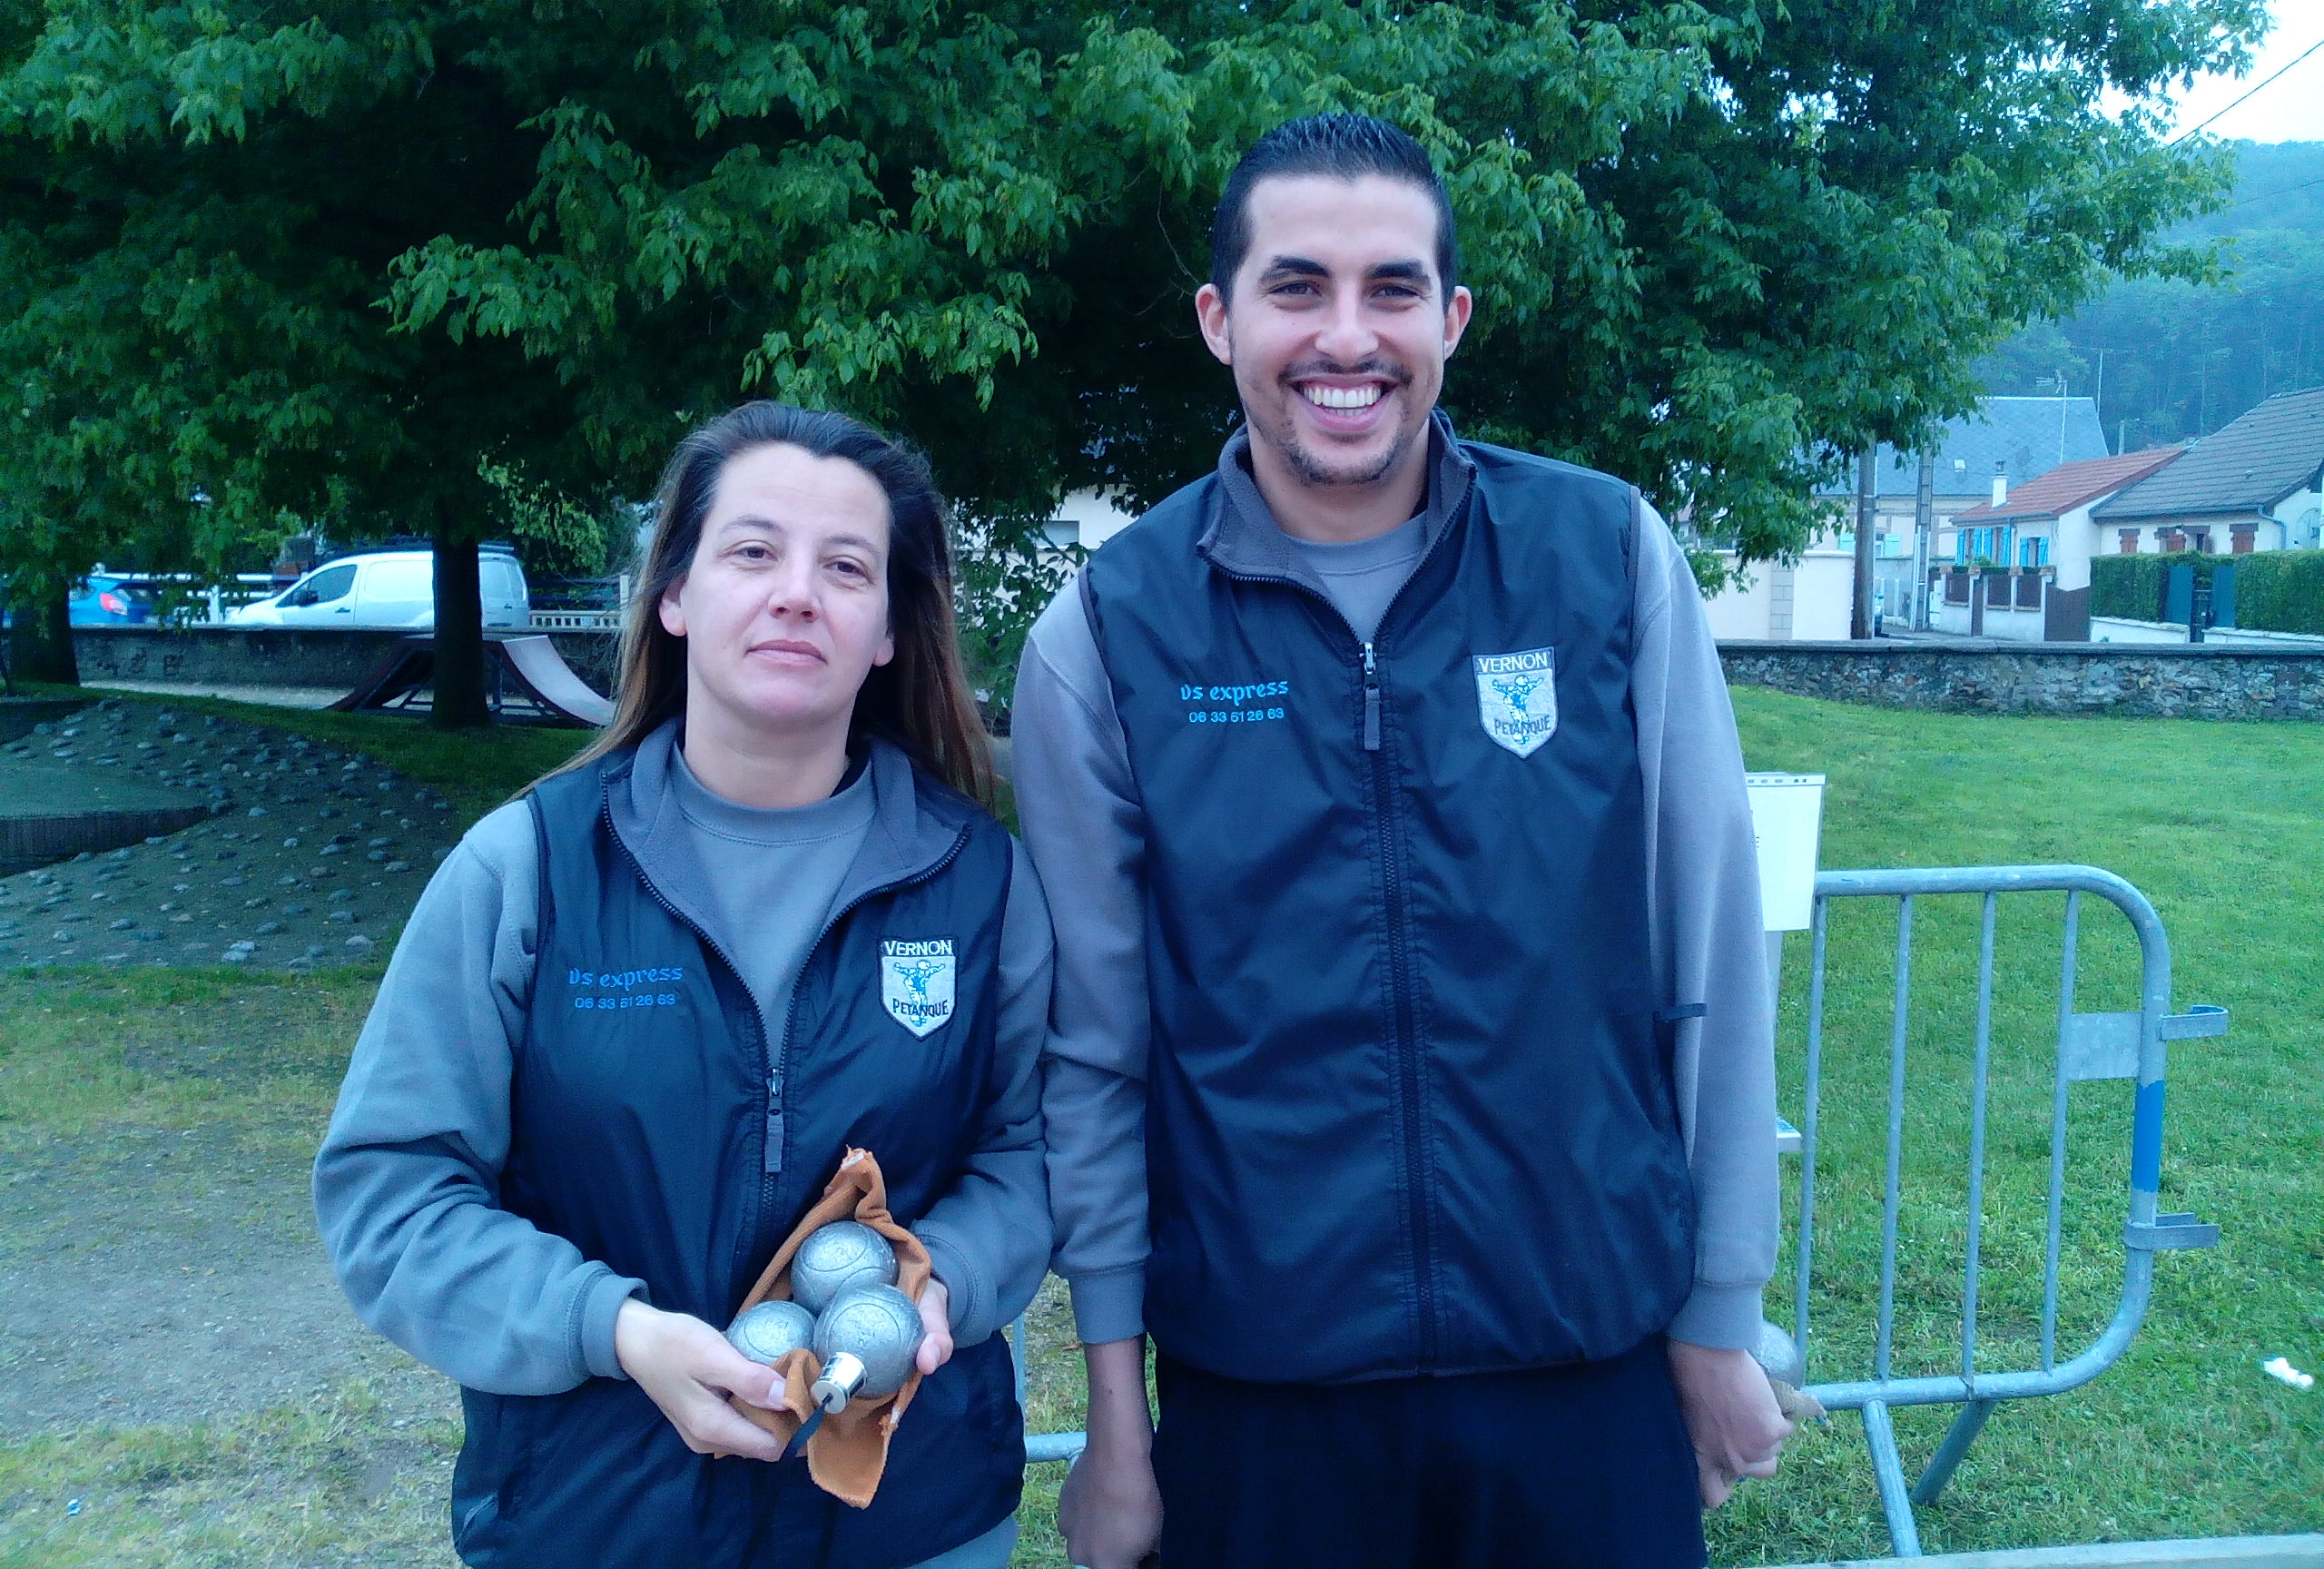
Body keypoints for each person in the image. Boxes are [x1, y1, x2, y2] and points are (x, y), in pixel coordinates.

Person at [1013, 113, 1791, 1569]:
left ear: (1452, 316)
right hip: (1264, 1395)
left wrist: (1718, 1314)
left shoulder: (1608, 557)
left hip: (1585, 1365)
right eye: (1296, 287)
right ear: (1218, 318)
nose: (1345, 338)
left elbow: (1711, 963)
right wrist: (1119, 1428)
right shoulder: (1109, 632)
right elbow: (1095, 1055)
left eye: (1390, 290)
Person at [316, 403, 1052, 1569]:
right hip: (593, 1517)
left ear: (887, 634)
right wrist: (611, 1329)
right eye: (753, 551)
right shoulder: (528, 870)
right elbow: (391, 1189)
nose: (797, 592)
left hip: (916, 1517)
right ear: (674, 596)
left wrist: (939, 1275)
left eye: (846, 566)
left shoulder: (982, 883)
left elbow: (1031, 1152)